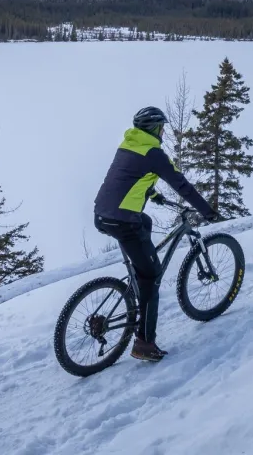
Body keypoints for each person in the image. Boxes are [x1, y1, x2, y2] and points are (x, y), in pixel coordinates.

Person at [93, 106, 217, 362]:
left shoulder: (128, 145)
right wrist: (207, 210)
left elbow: (127, 179)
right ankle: (144, 343)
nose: (164, 131)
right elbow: (181, 184)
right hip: (123, 221)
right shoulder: (154, 153)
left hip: (103, 215)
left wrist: (154, 195)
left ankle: (139, 272)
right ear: (155, 128)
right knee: (152, 276)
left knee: (145, 222)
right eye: (162, 127)